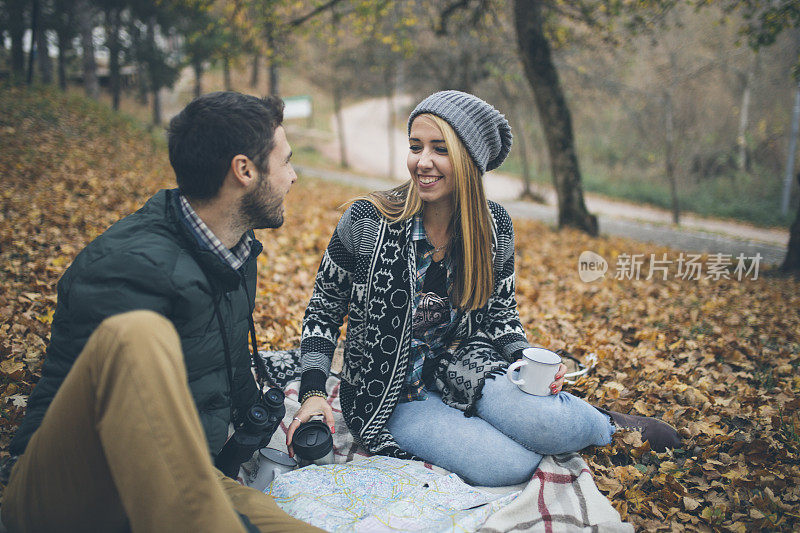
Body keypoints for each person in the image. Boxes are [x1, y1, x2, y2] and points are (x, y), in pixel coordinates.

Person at [287, 90, 680, 487]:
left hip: (463, 364)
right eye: (415, 147)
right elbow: (324, 308)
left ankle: (610, 426)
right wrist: (313, 390)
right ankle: (528, 426)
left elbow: (500, 312)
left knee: (548, 423)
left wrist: (526, 356)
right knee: (507, 465)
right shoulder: (367, 221)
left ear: (469, 160)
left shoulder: (495, 228)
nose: (423, 162)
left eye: (440, 149)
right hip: (392, 395)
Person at [2, 92, 322, 532]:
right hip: (78, 484)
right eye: (285, 162)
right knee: (138, 334)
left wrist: (272, 426)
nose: (293, 177)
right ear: (244, 171)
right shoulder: (126, 266)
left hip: (185, 471)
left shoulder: (233, 252)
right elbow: (98, 422)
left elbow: (223, 364)